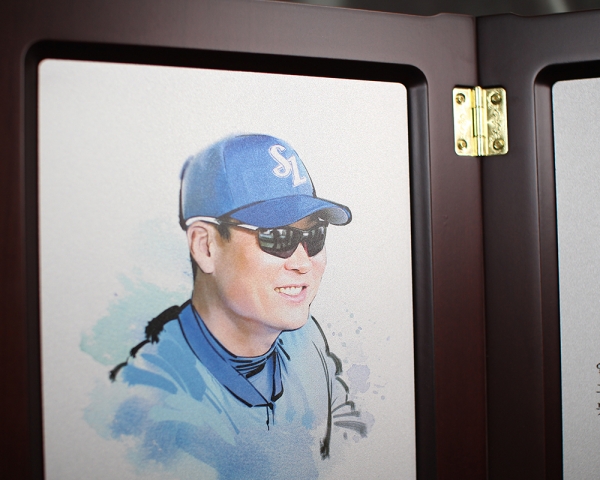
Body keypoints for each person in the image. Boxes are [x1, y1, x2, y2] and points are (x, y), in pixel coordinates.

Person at [108, 134, 366, 479]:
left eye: (314, 236)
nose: (303, 262)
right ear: (206, 246)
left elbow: (354, 447)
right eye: (278, 237)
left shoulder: (306, 341)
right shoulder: (152, 393)